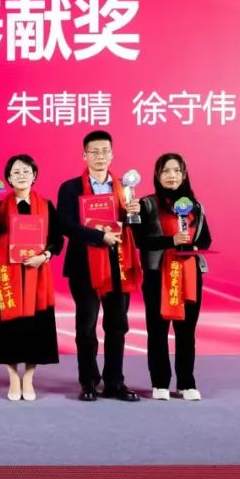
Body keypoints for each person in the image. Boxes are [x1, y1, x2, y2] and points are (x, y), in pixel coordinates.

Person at [56, 130, 143, 402]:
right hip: (84, 266)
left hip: (118, 264)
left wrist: (135, 214)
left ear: (112, 155)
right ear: (84, 155)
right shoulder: (70, 188)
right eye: (94, 151)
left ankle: (115, 381)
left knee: (117, 325)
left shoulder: (124, 189)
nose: (100, 156)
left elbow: (130, 229)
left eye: (105, 151)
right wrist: (98, 237)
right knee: (86, 326)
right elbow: (65, 225)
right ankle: (89, 381)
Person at [0, 155, 63, 400]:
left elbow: (57, 240)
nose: (21, 176)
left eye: (26, 171)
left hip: (36, 272)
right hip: (8, 273)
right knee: (8, 328)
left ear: (34, 175)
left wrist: (44, 256)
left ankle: (28, 377)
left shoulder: (46, 205)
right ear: (8, 178)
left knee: (35, 327)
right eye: (15, 172)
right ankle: (12, 377)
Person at [134, 153, 213, 401]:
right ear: (157, 175)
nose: (172, 176)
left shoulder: (195, 207)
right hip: (157, 275)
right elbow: (140, 241)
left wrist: (192, 245)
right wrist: (171, 241)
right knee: (157, 331)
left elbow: (206, 239)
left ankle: (186, 382)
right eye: (166, 171)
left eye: (177, 171)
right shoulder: (146, 204)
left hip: (189, 276)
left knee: (186, 332)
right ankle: (160, 382)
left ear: (184, 175)